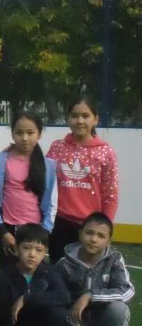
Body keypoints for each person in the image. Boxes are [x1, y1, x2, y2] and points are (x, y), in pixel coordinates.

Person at [54, 213, 134, 326]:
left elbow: (127, 291)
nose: (93, 239)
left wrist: (90, 296)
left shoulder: (114, 259)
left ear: (108, 241)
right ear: (80, 233)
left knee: (119, 309)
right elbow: (57, 306)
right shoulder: (64, 264)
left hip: (104, 321)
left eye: (100, 235)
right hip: (74, 325)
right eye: (89, 233)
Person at [46, 97, 119, 263]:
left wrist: (104, 229)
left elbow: (111, 196)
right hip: (59, 224)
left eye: (85, 116)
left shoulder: (106, 152)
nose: (79, 121)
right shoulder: (57, 147)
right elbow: (44, 180)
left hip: (90, 228)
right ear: (67, 118)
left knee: (87, 274)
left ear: (96, 119)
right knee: (59, 272)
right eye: (74, 116)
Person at [0, 111, 58, 269]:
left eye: (30, 133)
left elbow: (53, 203)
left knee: (33, 275)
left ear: (39, 134)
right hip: (7, 229)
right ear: (12, 133)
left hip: (36, 230)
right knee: (9, 274)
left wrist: (44, 233)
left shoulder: (48, 166)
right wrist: (2, 231)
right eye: (19, 133)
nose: (25, 138)